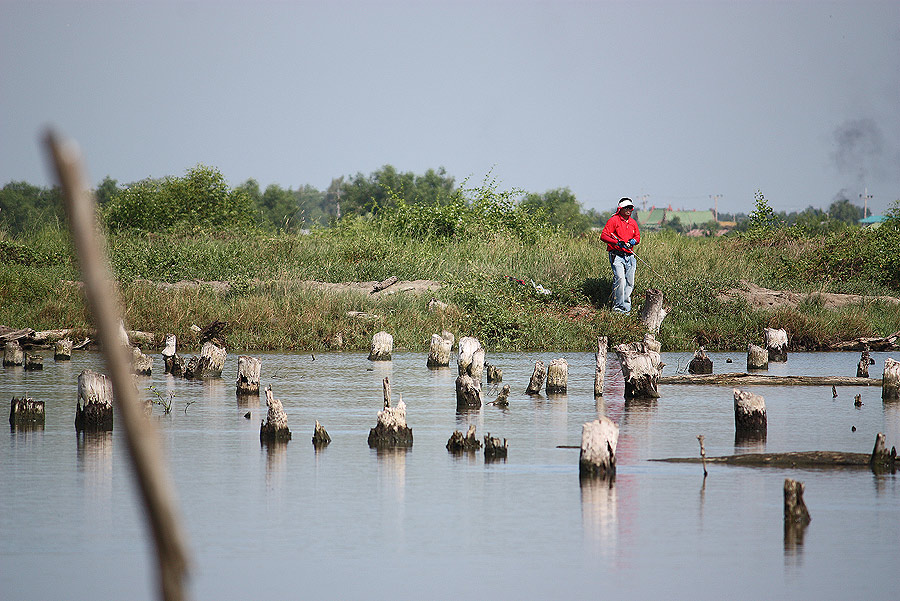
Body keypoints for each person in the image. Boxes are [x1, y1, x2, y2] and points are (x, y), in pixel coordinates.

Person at [600, 197, 641, 314]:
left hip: (630, 257)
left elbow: (637, 237)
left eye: (631, 208)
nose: (629, 210)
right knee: (620, 280)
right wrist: (616, 242)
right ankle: (618, 308)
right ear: (620, 208)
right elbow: (604, 236)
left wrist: (633, 241)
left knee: (630, 283)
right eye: (626, 208)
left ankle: (626, 309)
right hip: (617, 255)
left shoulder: (633, 223)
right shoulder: (614, 220)